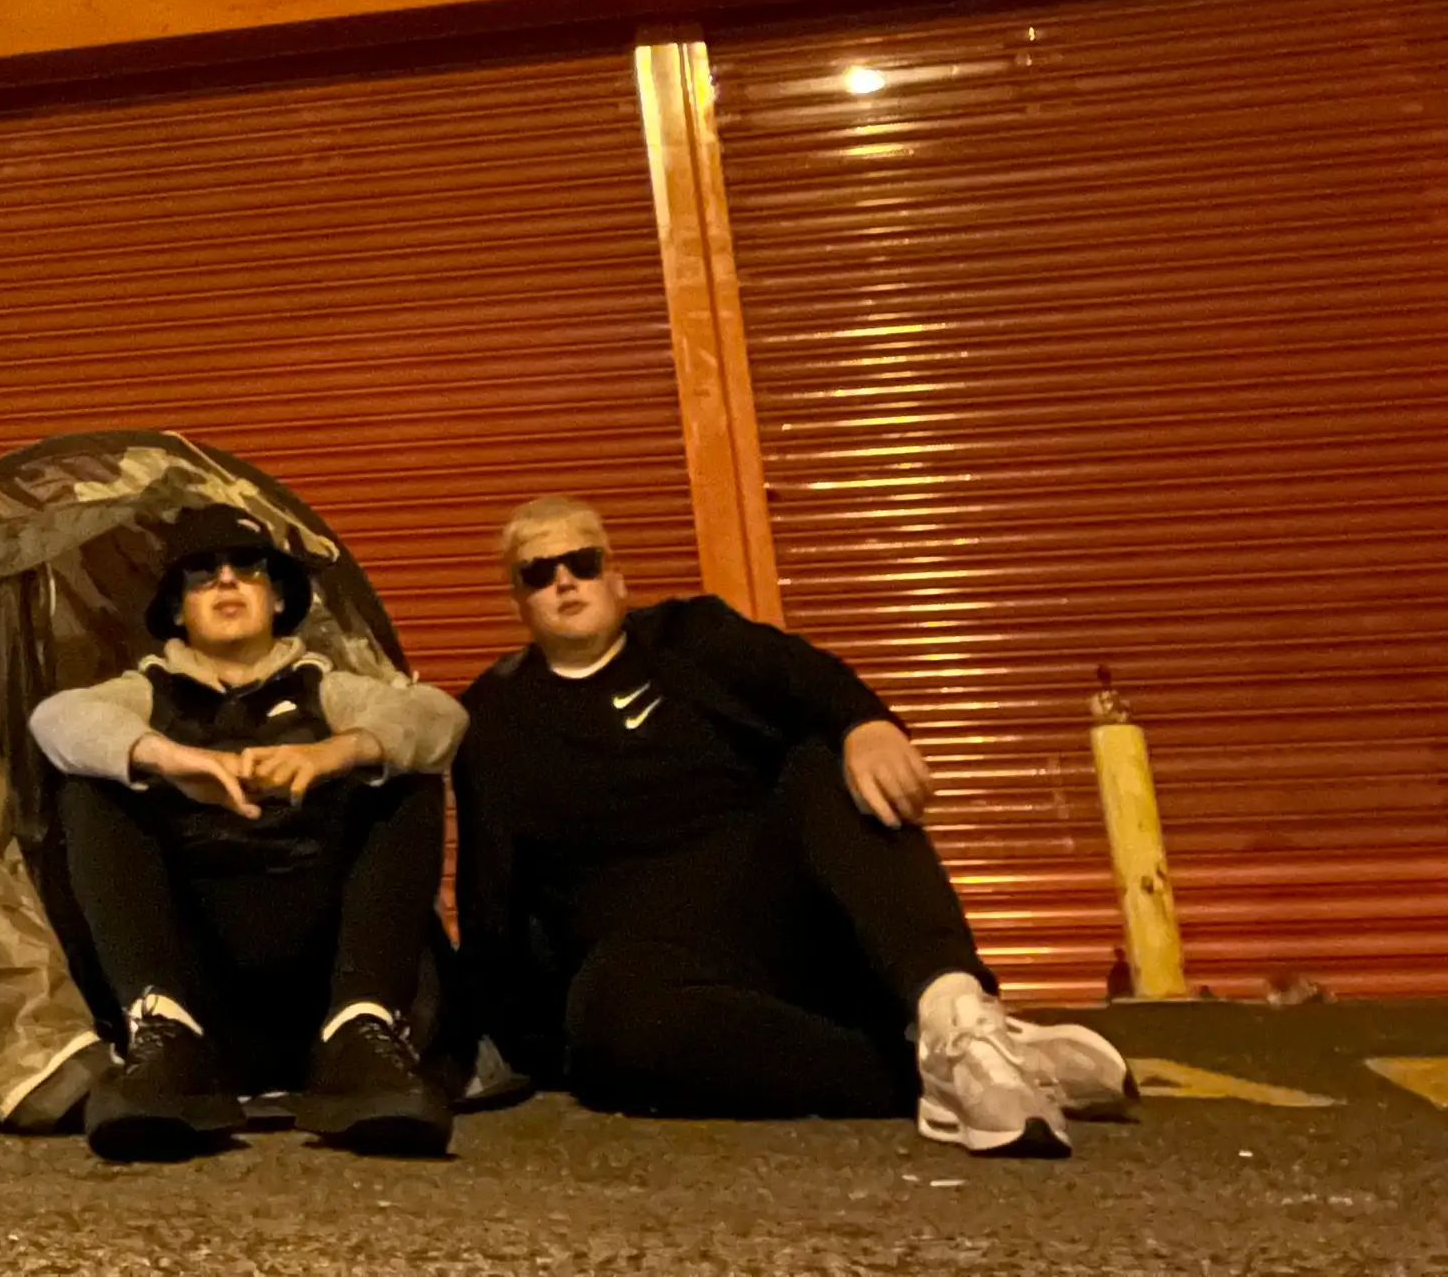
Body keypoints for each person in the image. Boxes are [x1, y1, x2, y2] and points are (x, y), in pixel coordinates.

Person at [454, 495, 1131, 1157]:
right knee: (611, 1035)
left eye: (582, 560)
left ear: (617, 577)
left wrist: (868, 724)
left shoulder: (694, 637)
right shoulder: (497, 717)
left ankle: (951, 1008)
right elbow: (493, 894)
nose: (565, 581)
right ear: (519, 601)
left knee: (823, 760)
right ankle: (956, 1068)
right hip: (652, 957)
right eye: (538, 573)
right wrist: (512, 1037)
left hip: (785, 913)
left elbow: (808, 677)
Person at [29, 504, 466, 1161]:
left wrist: (335, 752)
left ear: (278, 594)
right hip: (202, 998)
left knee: (404, 763)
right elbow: (55, 720)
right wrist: (174, 760)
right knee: (92, 780)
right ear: (177, 609)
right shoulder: (146, 693)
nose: (226, 582)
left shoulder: (327, 688)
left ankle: (364, 1030)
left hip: (323, 987)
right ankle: (162, 1031)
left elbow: (440, 716)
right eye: (203, 574)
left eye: (246, 570)